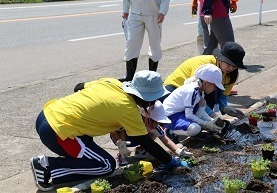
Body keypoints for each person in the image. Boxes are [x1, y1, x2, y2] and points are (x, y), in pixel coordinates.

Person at [30, 70, 187, 192]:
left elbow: (78, 86)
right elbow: (146, 142)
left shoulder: (111, 82)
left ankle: (60, 162)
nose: (153, 103)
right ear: (146, 98)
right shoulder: (128, 109)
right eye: (153, 99)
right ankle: (46, 165)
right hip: (58, 131)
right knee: (105, 165)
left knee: (94, 156)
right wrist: (170, 161)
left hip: (47, 114)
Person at [162, 42, 246, 120]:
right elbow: (194, 94)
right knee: (185, 114)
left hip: (197, 91)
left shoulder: (231, 74)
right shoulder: (205, 66)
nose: (231, 69)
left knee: (211, 94)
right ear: (221, 59)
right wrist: (212, 115)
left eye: (234, 66)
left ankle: (200, 123)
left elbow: (223, 95)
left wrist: (224, 107)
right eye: (228, 64)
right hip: (174, 90)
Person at [110, 100, 192, 166]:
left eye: (158, 122)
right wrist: (120, 143)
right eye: (154, 121)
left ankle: (142, 149)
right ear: (145, 117)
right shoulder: (133, 120)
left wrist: (178, 151)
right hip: (123, 139)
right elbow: (113, 130)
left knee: (155, 132)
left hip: (139, 138)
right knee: (122, 131)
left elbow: (166, 140)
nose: (156, 124)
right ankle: (121, 155)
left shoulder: (154, 126)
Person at [119, 0, 172, 82]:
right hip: (135, 13)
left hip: (154, 14)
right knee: (132, 43)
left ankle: (152, 75)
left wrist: (162, 11)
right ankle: (129, 75)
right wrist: (125, 9)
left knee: (154, 44)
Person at [163, 64, 225, 139]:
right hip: (171, 116)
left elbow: (199, 109)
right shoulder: (191, 91)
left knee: (203, 103)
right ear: (205, 83)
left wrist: (211, 120)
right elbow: (189, 115)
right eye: (214, 86)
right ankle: (170, 131)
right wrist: (206, 124)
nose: (215, 89)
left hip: (182, 112)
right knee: (195, 129)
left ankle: (195, 126)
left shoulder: (200, 90)